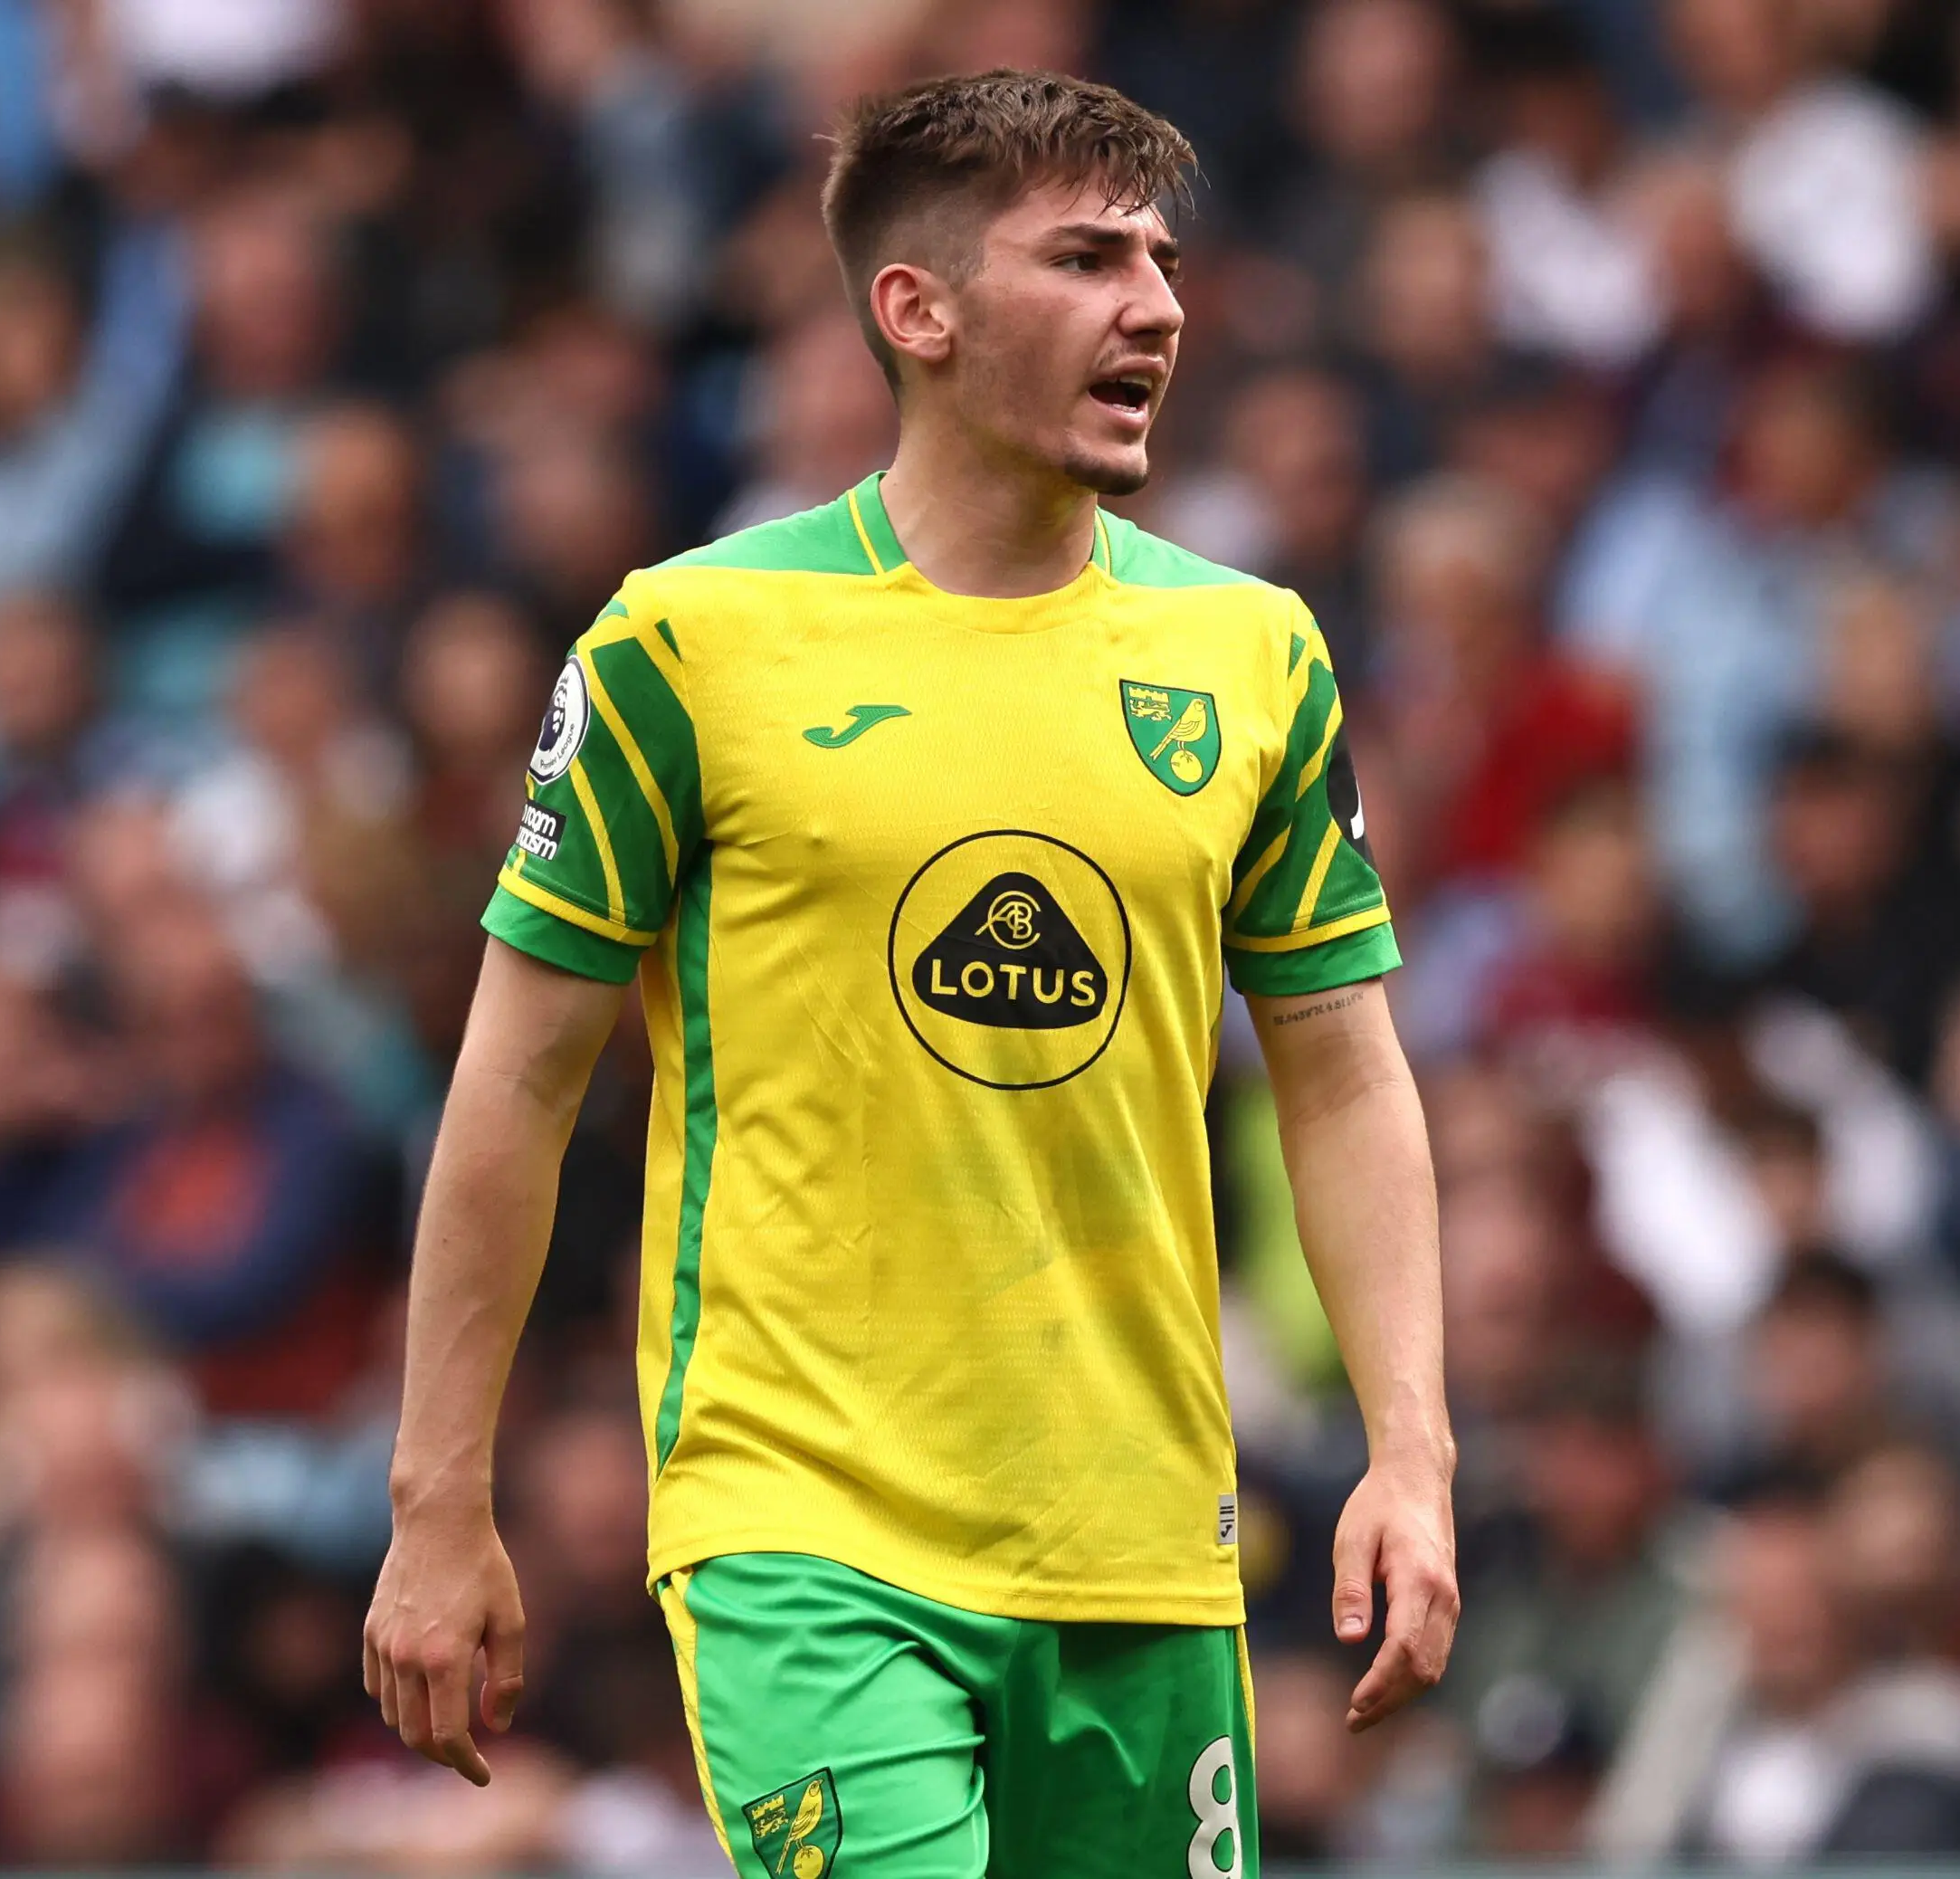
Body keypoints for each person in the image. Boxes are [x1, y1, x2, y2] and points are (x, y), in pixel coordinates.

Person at [359, 69, 1457, 1879]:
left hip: (1141, 1543)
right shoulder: (688, 645)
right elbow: (515, 1082)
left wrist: (1407, 1451)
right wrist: (435, 1500)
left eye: (1163, 261)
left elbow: (1342, 1073)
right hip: (806, 1529)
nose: (1157, 306)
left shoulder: (1251, 653)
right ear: (916, 309)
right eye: (1088, 257)